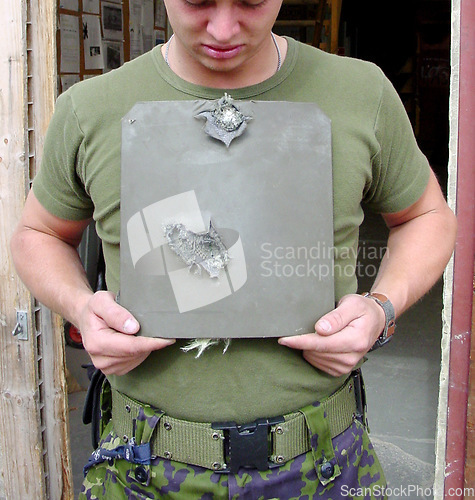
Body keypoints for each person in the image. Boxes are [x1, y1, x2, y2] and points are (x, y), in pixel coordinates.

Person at [11, 1, 457, 498]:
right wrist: (80, 306)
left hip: (323, 463)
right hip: (143, 468)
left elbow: (427, 217)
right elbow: (39, 234)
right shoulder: (92, 107)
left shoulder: (359, 92)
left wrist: (381, 308)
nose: (223, 29)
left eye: (250, 1)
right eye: (198, 1)